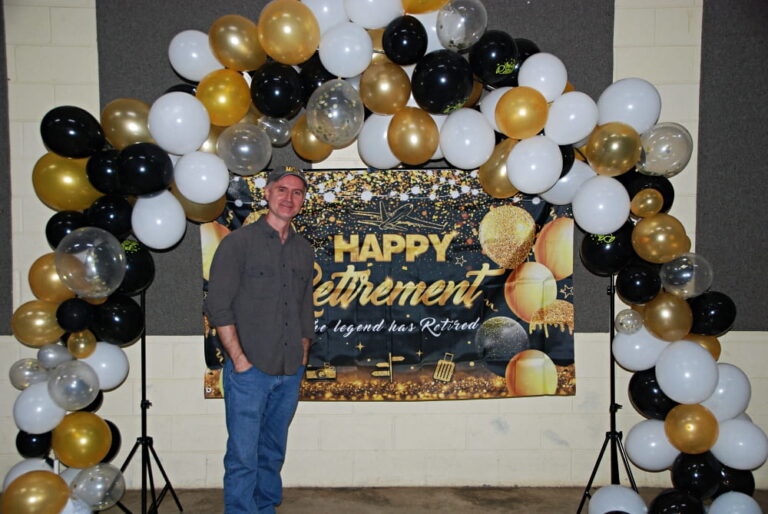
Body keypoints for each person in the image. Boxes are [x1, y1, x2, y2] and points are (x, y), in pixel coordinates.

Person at [205, 166, 314, 513]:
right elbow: (217, 306)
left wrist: (302, 354)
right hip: (249, 372)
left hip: (288, 369)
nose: (289, 198)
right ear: (266, 193)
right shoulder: (237, 244)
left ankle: (266, 508)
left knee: (272, 453)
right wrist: (239, 360)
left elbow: (305, 306)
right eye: (282, 190)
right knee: (242, 456)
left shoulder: (303, 250)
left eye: (297, 193)